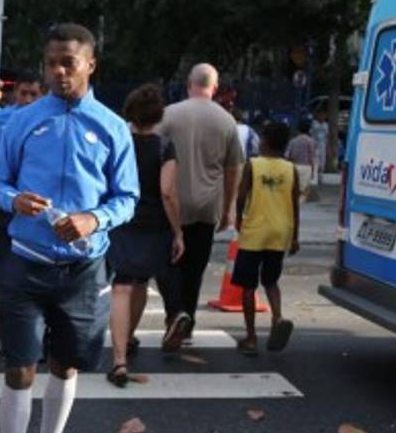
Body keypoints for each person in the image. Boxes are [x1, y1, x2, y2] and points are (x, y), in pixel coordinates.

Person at [0, 23, 138, 433]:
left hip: (83, 268)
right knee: (19, 368)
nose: (58, 71)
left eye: (68, 61)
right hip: (25, 261)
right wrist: (13, 201)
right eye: (51, 62)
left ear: (90, 64)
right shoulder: (22, 121)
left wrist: (95, 219)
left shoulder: (112, 127)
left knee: (66, 367)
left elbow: (127, 197)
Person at [157, 64, 243, 350]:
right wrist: (228, 208)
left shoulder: (169, 115)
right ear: (214, 88)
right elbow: (233, 169)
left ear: (188, 84)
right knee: (195, 269)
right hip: (207, 207)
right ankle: (188, 323)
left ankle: (174, 316)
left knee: (169, 265)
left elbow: (153, 154)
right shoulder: (226, 120)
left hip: (171, 205)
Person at [106, 84, 183, 386]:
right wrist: (178, 232)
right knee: (140, 283)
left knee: (121, 287)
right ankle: (129, 339)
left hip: (122, 219)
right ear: (158, 115)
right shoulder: (165, 146)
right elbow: (168, 192)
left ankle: (119, 360)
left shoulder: (118, 141)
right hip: (153, 224)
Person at [0, 69, 44, 357]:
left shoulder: (49, 119)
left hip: (35, 207)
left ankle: (32, 331)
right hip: (1, 203)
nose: (27, 99)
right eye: (23, 93)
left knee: (34, 272)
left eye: (33, 94)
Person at [233, 120, 300, 355]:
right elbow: (295, 204)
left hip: (255, 231)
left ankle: (251, 338)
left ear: (266, 142)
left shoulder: (253, 165)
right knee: (271, 281)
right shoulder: (291, 169)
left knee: (248, 286)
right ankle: (278, 318)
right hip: (281, 231)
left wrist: (238, 218)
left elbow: (242, 196)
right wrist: (295, 237)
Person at [286, 118, 319, 203]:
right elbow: (312, 156)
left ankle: (294, 204)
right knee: (304, 191)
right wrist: (313, 170)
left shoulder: (293, 141)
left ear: (298, 129)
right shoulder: (311, 141)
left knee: (294, 189)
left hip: (294, 166)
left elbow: (288, 156)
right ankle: (300, 204)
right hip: (306, 167)